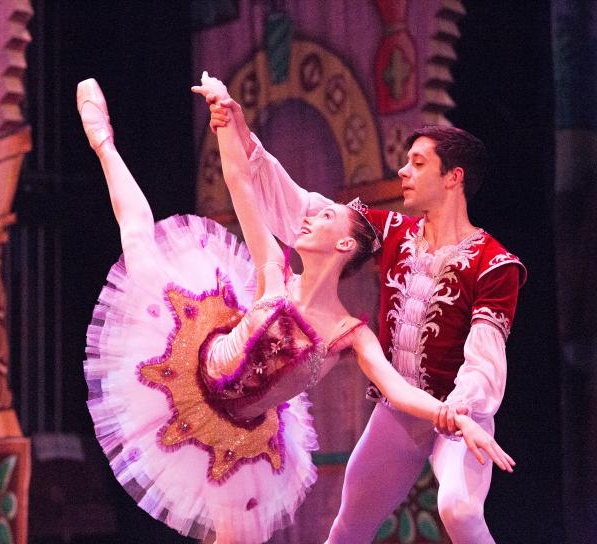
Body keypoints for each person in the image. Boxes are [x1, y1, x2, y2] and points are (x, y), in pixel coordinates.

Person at [79, 76, 513, 544]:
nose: (403, 171)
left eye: (417, 163)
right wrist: (231, 123)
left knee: (457, 509)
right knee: (141, 245)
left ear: (454, 177)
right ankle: (104, 145)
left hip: (430, 410)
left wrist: (461, 412)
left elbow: (467, 362)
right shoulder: (302, 261)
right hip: (194, 367)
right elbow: (252, 187)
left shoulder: (491, 265)